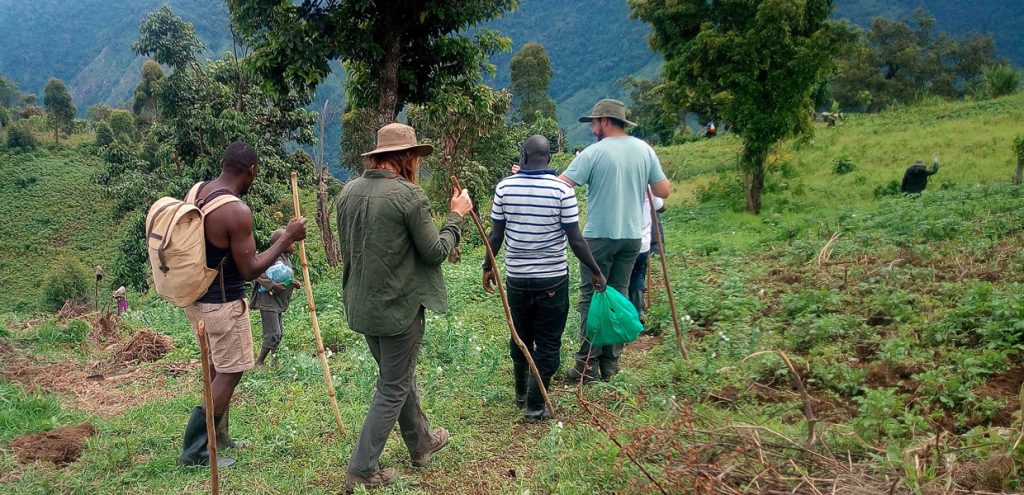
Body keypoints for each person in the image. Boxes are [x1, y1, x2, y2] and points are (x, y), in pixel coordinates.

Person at [334, 123, 472, 493]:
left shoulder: (347, 192)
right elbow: (435, 251)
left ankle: (421, 442)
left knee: (397, 377)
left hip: (362, 305)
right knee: (393, 386)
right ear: (407, 157)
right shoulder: (409, 197)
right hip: (398, 308)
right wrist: (456, 217)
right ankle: (362, 469)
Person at [178, 142, 308, 468]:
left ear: (222, 163)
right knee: (232, 370)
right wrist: (286, 238)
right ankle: (195, 450)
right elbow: (251, 270)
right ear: (251, 171)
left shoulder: (198, 191)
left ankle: (219, 436)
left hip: (196, 299)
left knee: (214, 370)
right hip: (222, 304)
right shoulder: (236, 211)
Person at [483, 134, 607, 421]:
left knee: (521, 335)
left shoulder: (504, 188)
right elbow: (576, 240)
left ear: (523, 157)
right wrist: (597, 271)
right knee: (549, 342)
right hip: (552, 280)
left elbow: (496, 235)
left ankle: (522, 393)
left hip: (516, 280)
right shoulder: (562, 191)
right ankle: (535, 405)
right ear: (550, 159)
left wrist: (487, 266)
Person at [558, 99, 671, 383]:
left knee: (591, 298)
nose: (592, 128)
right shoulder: (644, 150)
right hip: (632, 237)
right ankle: (611, 363)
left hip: (598, 238)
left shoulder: (593, 153)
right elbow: (663, 190)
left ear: (605, 121)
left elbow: (561, 185)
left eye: (594, 122)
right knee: (617, 299)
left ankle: (586, 366)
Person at [250, 228, 301, 368]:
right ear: (282, 243)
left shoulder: (284, 258)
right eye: (291, 242)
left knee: (279, 333)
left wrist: (293, 282)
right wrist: (272, 285)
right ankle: (259, 362)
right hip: (268, 302)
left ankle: (275, 362)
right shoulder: (270, 257)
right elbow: (257, 273)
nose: (293, 245)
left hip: (277, 302)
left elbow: (282, 275)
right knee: (274, 333)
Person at [628, 190, 664, 324]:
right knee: (637, 275)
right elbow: (660, 206)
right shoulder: (646, 183)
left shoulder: (617, 181)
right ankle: (638, 313)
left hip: (620, 241)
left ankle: (625, 317)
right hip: (642, 243)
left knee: (621, 279)